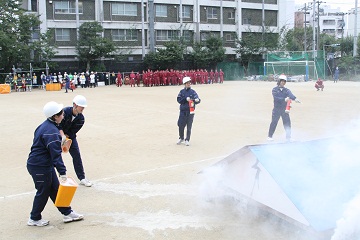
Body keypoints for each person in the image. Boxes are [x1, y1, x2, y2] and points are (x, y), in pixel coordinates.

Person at [27, 101, 84, 227]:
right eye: (61, 114)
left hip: (43, 164)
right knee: (44, 191)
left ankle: (67, 212)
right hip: (39, 165)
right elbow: (56, 155)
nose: (63, 116)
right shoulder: (52, 132)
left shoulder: (46, 126)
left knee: (55, 189)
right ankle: (34, 218)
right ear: (55, 116)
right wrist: (62, 172)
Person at [59, 95, 93, 187]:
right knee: (55, 156)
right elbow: (58, 125)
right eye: (81, 106)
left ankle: (82, 178)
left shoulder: (81, 119)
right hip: (57, 135)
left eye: (83, 107)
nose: (82, 108)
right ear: (74, 104)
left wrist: (66, 138)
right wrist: (61, 136)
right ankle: (58, 178)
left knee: (76, 155)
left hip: (70, 137)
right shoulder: (64, 112)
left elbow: (72, 131)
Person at [267, 74, 300, 142]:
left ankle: (288, 137)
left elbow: (290, 95)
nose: (283, 82)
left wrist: (295, 98)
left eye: (284, 81)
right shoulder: (274, 89)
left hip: (284, 110)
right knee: (274, 122)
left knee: (287, 123)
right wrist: (284, 99)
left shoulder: (286, 90)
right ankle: (270, 136)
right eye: (282, 81)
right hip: (276, 109)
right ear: (279, 81)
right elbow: (276, 98)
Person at [176, 77, 201, 146]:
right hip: (183, 111)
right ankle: (181, 138)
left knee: (189, 126)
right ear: (184, 84)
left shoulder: (193, 92)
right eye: (187, 83)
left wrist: (197, 100)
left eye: (189, 83)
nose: (188, 84)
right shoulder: (182, 92)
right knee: (180, 125)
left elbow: (197, 99)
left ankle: (187, 139)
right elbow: (179, 100)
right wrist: (185, 99)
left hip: (190, 111)